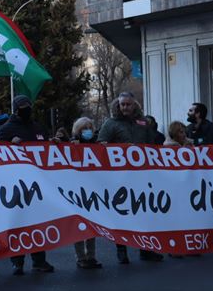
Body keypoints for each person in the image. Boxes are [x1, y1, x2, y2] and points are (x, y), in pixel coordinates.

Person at [97, 92, 163, 264]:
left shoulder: (143, 123)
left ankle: (146, 249)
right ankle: (122, 250)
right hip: (120, 177)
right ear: (117, 105)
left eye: (128, 104)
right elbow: (100, 146)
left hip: (142, 176)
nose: (125, 107)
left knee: (145, 212)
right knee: (122, 213)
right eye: (122, 104)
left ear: (135, 105)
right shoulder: (110, 124)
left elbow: (152, 146)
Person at [0, 95, 55, 275]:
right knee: (18, 223)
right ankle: (17, 262)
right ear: (15, 109)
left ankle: (39, 260)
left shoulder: (38, 127)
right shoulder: (6, 129)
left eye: (28, 105)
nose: (26, 108)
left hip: (37, 183)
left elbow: (47, 149)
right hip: (15, 184)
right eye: (22, 106)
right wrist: (8, 144)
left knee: (37, 223)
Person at [69, 118, 102, 269]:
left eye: (90, 127)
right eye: (84, 128)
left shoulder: (96, 145)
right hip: (76, 191)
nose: (88, 130)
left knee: (92, 226)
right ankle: (81, 257)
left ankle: (91, 256)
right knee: (78, 227)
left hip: (92, 191)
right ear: (78, 130)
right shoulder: (71, 145)